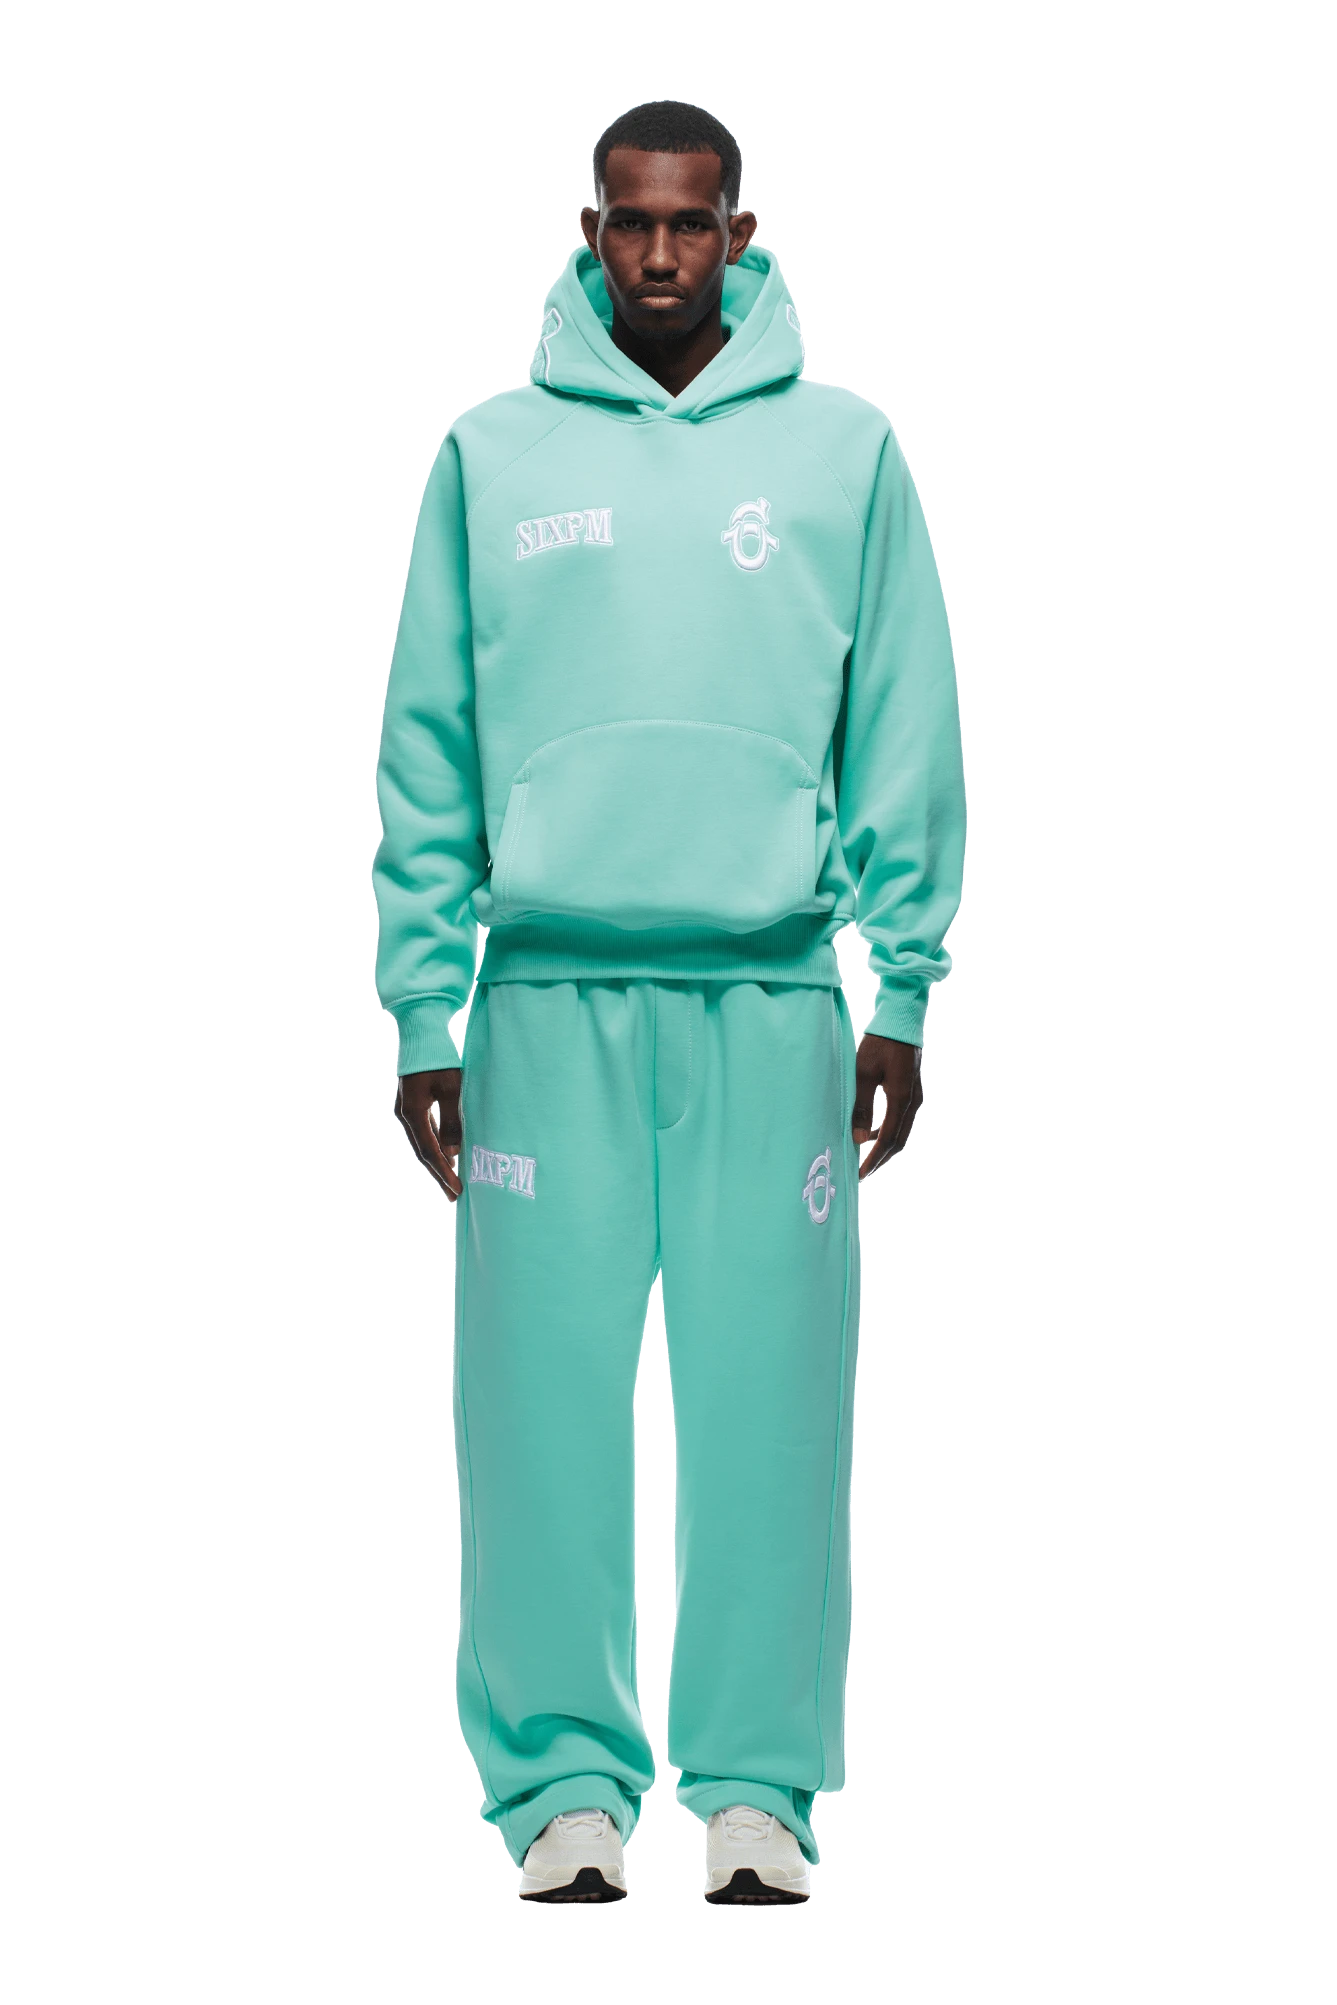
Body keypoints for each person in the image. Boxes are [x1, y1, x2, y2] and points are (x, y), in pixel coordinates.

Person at [373, 98, 966, 1905]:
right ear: (587, 232)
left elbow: (904, 725)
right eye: (628, 224)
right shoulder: (488, 457)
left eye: (689, 224)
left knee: (772, 1405)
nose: (656, 255)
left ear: (741, 235)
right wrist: (424, 1007)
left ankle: (757, 1796)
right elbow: (429, 746)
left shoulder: (846, 456)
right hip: (544, 999)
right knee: (539, 1410)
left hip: (772, 995)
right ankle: (560, 1791)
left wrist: (903, 985)